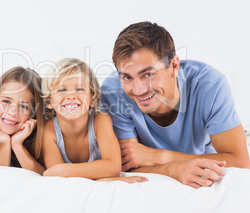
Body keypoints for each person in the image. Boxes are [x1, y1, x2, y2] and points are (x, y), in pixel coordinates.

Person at [101, 21, 250, 188]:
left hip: (205, 152)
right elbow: (127, 165)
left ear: (173, 66)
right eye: (127, 77)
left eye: (148, 74)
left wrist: (157, 157)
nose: (139, 89)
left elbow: (240, 162)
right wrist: (172, 170)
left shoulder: (210, 85)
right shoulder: (113, 92)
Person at [41, 58, 147, 183]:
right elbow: (57, 177)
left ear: (93, 99)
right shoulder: (49, 129)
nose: (71, 96)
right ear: (49, 101)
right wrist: (102, 178)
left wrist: (64, 171)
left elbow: (113, 167)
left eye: (79, 89)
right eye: (62, 90)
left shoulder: (100, 120)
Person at [0, 67, 45, 176]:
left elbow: (45, 176)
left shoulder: (45, 131)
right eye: (6, 101)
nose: (12, 112)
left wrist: (17, 145)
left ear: (33, 113)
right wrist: (4, 144)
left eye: (23, 106)